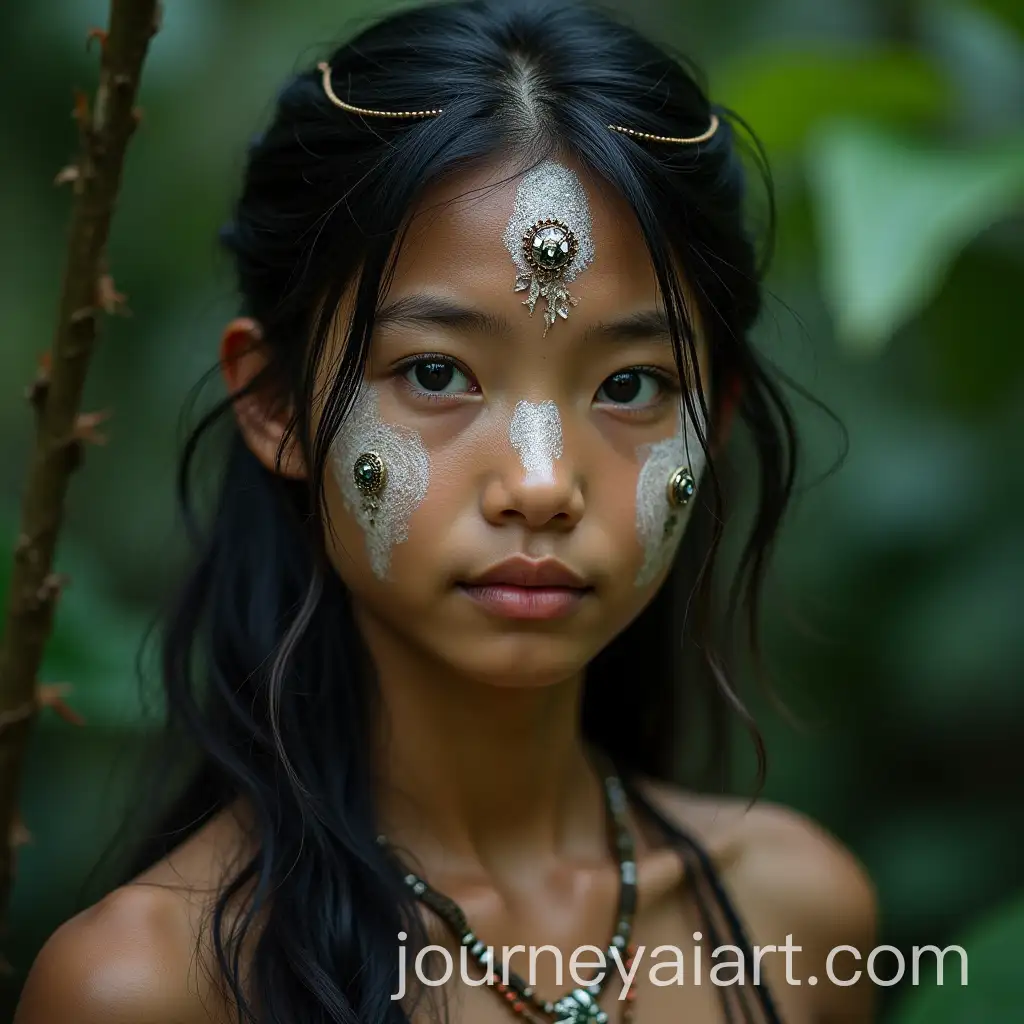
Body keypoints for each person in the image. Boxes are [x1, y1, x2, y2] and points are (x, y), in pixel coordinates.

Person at [14, 0, 877, 1021]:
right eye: (436, 372)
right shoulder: (154, 987)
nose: (543, 483)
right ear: (275, 402)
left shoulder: (793, 919)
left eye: (631, 385)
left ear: (714, 418)